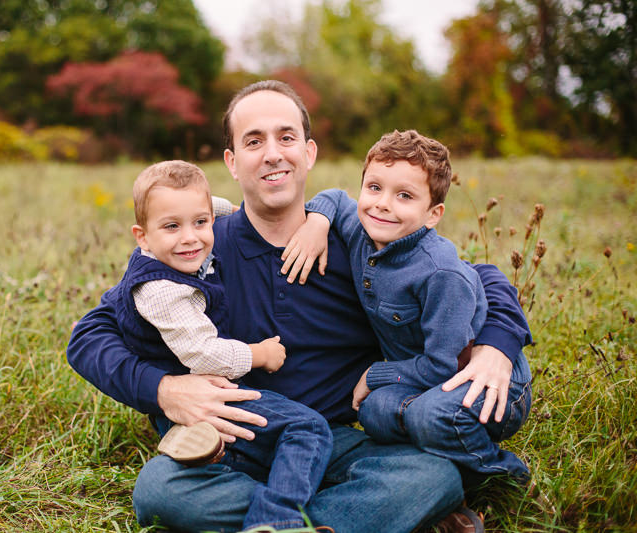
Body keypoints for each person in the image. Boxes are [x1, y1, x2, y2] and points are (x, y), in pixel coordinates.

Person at [67, 80, 532, 533]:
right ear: (232, 162)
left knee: (431, 476)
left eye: (285, 137)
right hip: (246, 434)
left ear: (308, 152)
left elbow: (477, 277)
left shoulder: (360, 238)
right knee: (161, 492)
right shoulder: (197, 249)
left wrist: (496, 343)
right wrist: (165, 390)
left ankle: (283, 520)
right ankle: (345, 517)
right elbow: (91, 335)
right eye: (254, 141)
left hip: (342, 438)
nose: (272, 153)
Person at [110, 159, 333, 531]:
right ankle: (277, 521)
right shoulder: (163, 290)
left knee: (260, 450)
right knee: (309, 430)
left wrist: (248, 212)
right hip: (200, 396)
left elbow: (212, 207)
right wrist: (260, 354)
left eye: (200, 222)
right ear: (142, 236)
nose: (190, 238)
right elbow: (204, 354)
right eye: (171, 227)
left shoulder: (183, 234)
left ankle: (251, 478)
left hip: (207, 404)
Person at [299, 129, 532, 481]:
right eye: (374, 187)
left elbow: (442, 366)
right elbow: (334, 197)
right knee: (373, 411)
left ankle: (499, 473)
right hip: (422, 382)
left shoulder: (439, 273)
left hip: (482, 378)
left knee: (432, 416)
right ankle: (438, 448)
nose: (382, 203)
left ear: (433, 214)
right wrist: (316, 221)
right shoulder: (362, 228)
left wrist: (375, 373)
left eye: (404, 196)